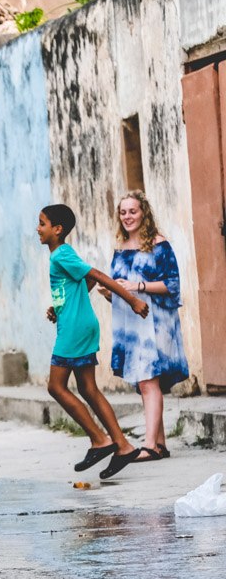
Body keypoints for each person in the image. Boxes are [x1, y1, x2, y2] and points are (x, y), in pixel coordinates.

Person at [38, 204, 148, 480]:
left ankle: (100, 440)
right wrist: (58, 307)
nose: (38, 229)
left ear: (57, 229)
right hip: (78, 324)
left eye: (42, 224)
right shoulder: (62, 254)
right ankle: (122, 445)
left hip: (74, 330)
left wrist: (132, 299)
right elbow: (82, 282)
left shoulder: (60, 255)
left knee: (56, 386)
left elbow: (96, 275)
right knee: (88, 388)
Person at [98, 191, 189, 462]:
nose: (127, 217)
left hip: (157, 321)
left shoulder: (160, 245)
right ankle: (159, 443)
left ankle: (149, 445)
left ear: (143, 213)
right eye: (123, 212)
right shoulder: (120, 248)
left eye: (133, 211)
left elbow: (172, 285)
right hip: (131, 325)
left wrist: (138, 287)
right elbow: (119, 286)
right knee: (144, 381)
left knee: (149, 380)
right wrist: (111, 292)